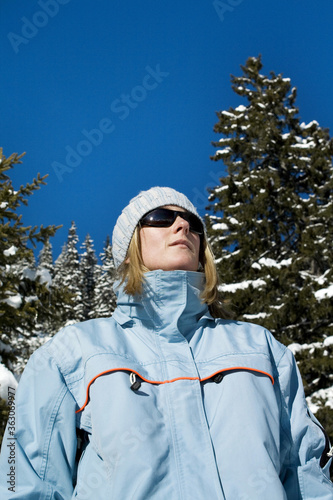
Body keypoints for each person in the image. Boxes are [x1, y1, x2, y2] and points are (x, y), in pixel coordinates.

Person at [0, 186, 332, 499]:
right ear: (128, 251)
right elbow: (27, 477)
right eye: (161, 217)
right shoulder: (74, 351)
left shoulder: (260, 347)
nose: (182, 225)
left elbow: (307, 474)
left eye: (193, 223)